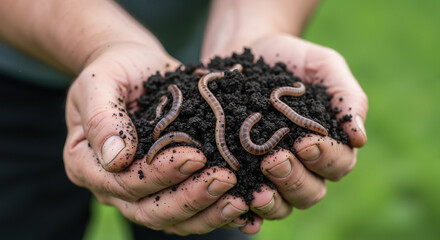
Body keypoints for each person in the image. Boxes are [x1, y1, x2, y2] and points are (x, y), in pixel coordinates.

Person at [0, 0, 368, 239]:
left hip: (169, 75)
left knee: (212, 202)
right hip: (14, 85)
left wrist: (258, 30)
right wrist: (102, 44)